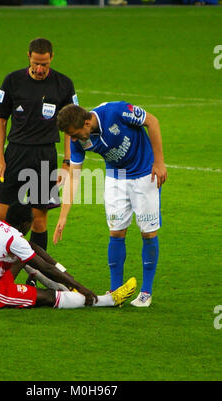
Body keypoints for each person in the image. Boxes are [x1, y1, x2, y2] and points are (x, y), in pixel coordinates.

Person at [53, 102, 167, 307]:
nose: (76, 140)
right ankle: (116, 293)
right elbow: (74, 177)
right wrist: (63, 216)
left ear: (87, 123)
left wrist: (159, 162)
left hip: (144, 173)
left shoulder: (116, 111)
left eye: (77, 134)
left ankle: (146, 292)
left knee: (148, 232)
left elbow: (152, 121)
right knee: (116, 232)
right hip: (116, 177)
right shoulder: (77, 140)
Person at [0, 201, 137, 310]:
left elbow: (38, 252)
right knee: (48, 297)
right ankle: (107, 300)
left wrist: (66, 275)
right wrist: (80, 287)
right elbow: (46, 267)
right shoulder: (13, 238)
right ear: (25, 223)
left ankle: (69, 291)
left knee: (26, 255)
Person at [0, 38, 78, 256]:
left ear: (51, 59)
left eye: (45, 64)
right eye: (36, 63)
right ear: (28, 57)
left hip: (45, 156)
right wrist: (0, 158)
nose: (40, 69)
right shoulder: (12, 81)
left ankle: (34, 277)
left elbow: (70, 127)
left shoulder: (63, 84)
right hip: (15, 154)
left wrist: (67, 161)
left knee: (39, 219)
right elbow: (0, 121)